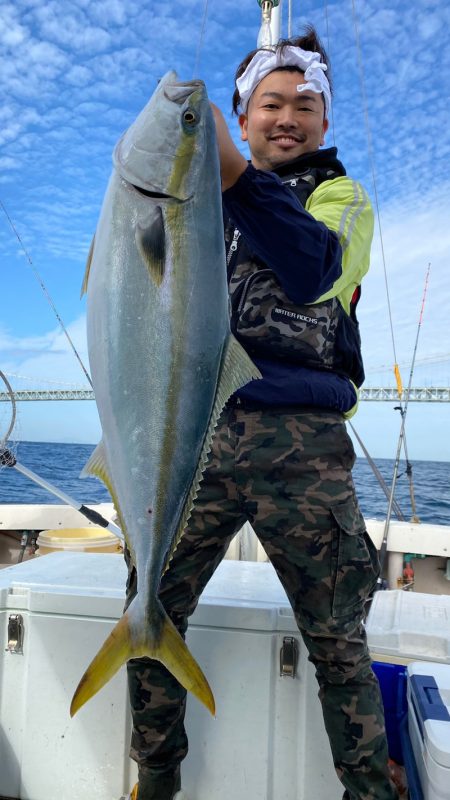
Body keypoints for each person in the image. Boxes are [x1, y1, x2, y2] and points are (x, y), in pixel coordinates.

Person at [125, 26, 399, 800]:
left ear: (324, 120)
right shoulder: (195, 205)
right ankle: (155, 780)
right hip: (197, 435)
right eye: (269, 103)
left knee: (337, 639)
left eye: (305, 105)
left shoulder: (342, 199)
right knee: (150, 611)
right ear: (240, 118)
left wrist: (238, 178)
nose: (287, 117)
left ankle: (368, 792)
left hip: (304, 446)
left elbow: (316, 266)